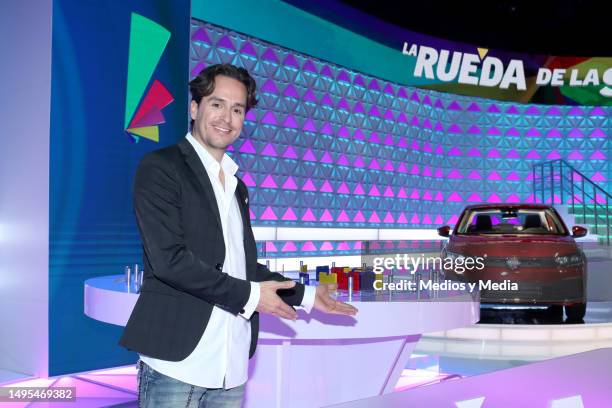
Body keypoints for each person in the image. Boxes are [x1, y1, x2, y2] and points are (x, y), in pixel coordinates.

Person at [119, 63, 358, 407]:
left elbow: (240, 266)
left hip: (230, 368)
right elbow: (169, 261)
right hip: (177, 364)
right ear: (194, 107)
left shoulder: (237, 186)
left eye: (237, 109)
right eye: (216, 104)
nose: (226, 118)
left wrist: (307, 296)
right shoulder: (162, 167)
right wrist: (251, 297)